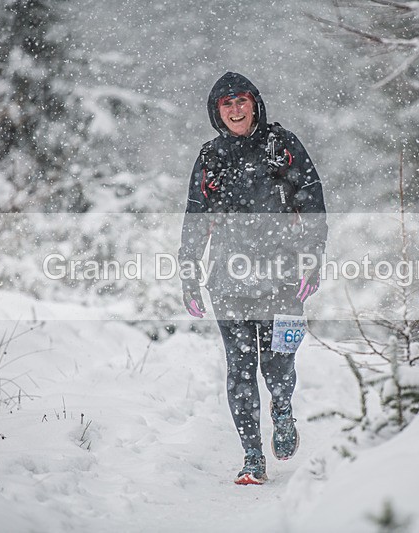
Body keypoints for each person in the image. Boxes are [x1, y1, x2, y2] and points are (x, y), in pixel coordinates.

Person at [178, 72, 328, 485]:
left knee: (279, 363)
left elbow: (313, 204)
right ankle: (252, 456)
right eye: (226, 104)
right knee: (240, 370)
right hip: (228, 280)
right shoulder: (210, 158)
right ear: (217, 112)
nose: (235, 110)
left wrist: (313, 260)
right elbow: (195, 218)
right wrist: (189, 274)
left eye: (241, 100)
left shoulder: (284, 146)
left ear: (255, 104)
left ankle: (282, 407)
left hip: (284, 277)